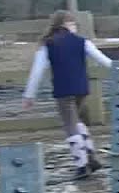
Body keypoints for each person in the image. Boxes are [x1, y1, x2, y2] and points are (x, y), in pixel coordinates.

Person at [22, 10, 113, 179]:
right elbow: (104, 60)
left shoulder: (47, 45)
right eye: (73, 24)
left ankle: (81, 165)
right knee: (77, 122)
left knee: (70, 126)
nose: (75, 27)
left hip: (63, 91)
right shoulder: (82, 42)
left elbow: (37, 71)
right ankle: (91, 158)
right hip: (81, 89)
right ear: (65, 24)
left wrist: (29, 95)